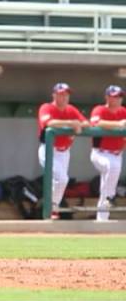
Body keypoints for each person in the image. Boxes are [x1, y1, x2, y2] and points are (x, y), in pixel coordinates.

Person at [37, 82, 89, 220]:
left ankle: (52, 207)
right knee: (62, 178)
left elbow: (86, 123)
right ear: (54, 95)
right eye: (61, 94)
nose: (64, 97)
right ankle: (52, 207)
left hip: (64, 152)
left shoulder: (71, 109)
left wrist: (78, 125)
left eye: (66, 94)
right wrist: (71, 123)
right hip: (48, 149)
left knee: (61, 181)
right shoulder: (46, 107)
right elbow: (49, 123)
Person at [89, 85, 126, 221]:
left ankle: (102, 219)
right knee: (113, 168)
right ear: (107, 97)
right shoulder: (99, 109)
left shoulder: (123, 111)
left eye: (119, 96)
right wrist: (119, 124)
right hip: (100, 153)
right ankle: (110, 197)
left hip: (117, 154)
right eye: (114, 96)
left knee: (106, 184)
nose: (117, 99)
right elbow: (96, 123)